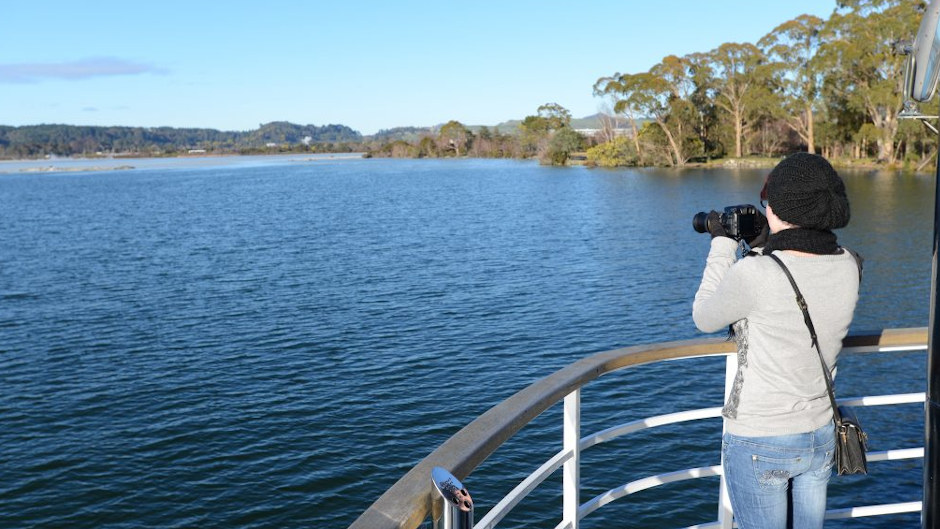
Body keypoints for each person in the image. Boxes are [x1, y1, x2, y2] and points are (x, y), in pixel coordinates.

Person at [692, 152, 860, 529]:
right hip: (819, 434)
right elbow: (800, 271)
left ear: (780, 209)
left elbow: (704, 317)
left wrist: (722, 243)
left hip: (760, 439)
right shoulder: (849, 264)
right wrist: (769, 243)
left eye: (768, 203)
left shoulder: (756, 273)